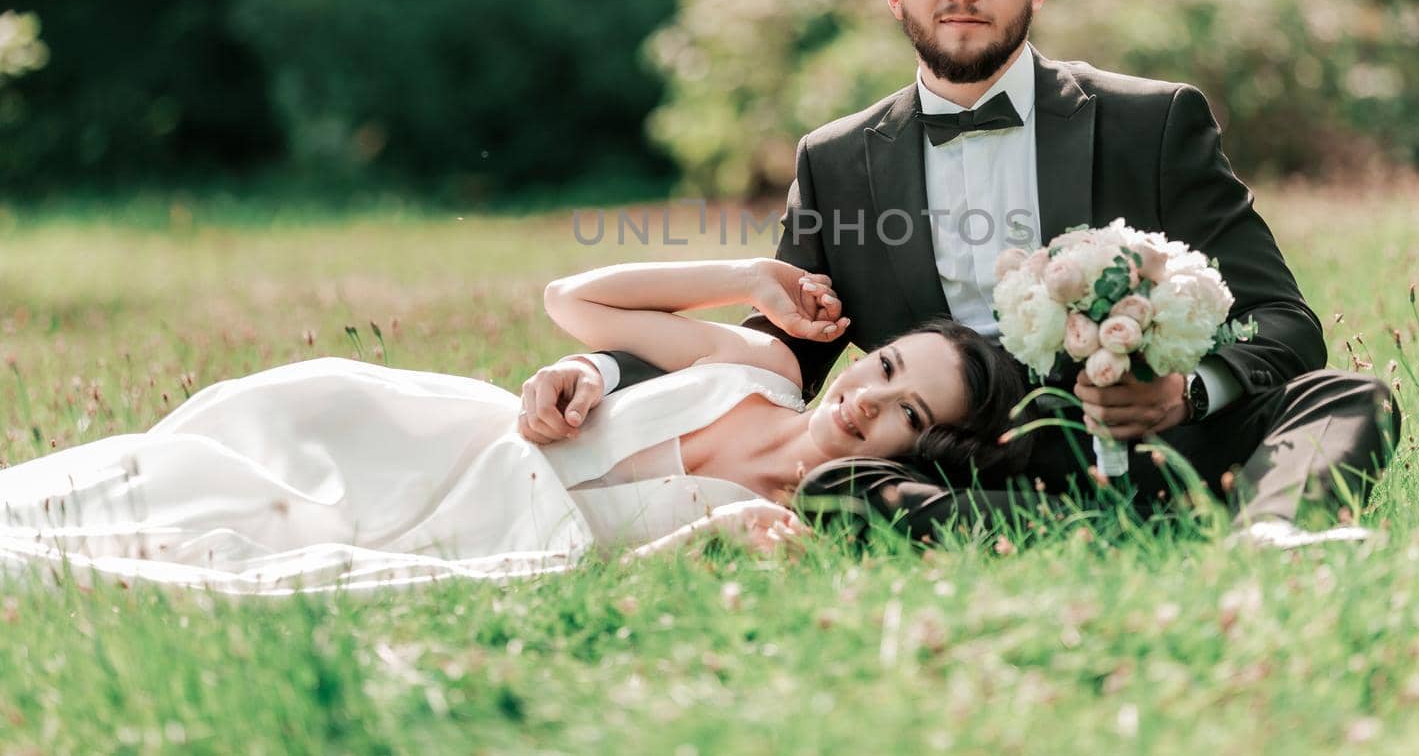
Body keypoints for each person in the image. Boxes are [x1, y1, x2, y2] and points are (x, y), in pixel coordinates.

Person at [536, 0, 1399, 545]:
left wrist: (1185, 396)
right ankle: (1092, 533)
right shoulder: (838, 162)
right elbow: (776, 353)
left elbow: (1283, 321)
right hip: (938, 474)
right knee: (838, 486)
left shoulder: (1152, 122)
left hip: (1150, 438)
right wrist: (599, 371)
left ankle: (1273, 535)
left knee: (1346, 394)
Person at [0, 257, 1022, 594]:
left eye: (904, 412)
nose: (867, 397)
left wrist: (695, 542)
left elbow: (611, 569)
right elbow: (573, 299)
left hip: (486, 531)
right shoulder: (758, 366)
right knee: (175, 480)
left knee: (223, 547)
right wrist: (742, 275)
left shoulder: (775, 519)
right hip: (424, 438)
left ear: (919, 448)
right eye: (884, 367)